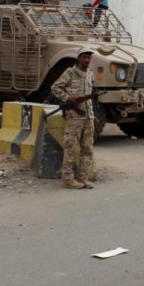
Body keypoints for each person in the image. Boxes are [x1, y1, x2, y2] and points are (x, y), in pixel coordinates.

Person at [51, 47, 97, 189]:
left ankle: (83, 178)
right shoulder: (70, 72)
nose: (87, 60)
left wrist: (93, 115)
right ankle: (68, 179)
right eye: (84, 57)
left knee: (87, 148)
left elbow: (90, 96)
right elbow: (55, 87)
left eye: (89, 57)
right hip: (74, 116)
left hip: (88, 115)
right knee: (70, 147)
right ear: (79, 58)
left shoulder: (90, 74)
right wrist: (67, 98)